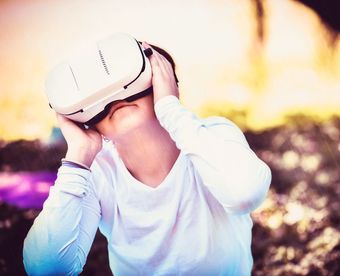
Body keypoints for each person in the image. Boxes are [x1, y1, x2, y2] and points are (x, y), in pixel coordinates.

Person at [23, 41, 272, 275]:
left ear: (167, 83)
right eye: (98, 97)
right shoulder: (97, 172)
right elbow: (46, 269)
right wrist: (78, 156)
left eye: (130, 81)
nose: (115, 96)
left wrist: (171, 110)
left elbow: (245, 194)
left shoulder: (212, 136)